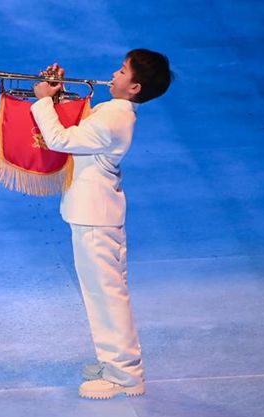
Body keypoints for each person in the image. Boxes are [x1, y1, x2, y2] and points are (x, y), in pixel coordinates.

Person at [31, 49, 173, 399]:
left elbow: (61, 140)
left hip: (95, 217)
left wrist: (43, 101)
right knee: (105, 294)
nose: (114, 74)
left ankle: (125, 375)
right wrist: (58, 93)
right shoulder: (113, 111)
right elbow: (79, 128)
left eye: (122, 71)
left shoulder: (113, 119)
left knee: (106, 296)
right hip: (96, 214)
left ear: (135, 87)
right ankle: (115, 364)